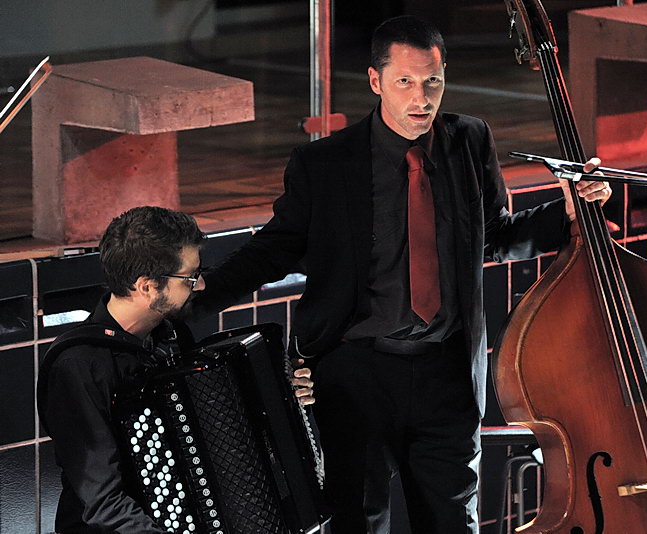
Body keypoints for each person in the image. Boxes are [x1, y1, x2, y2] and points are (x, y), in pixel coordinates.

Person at [193, 15, 611, 534]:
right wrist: (199, 294)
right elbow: (273, 251)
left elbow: (495, 236)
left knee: (452, 522)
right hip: (356, 371)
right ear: (375, 81)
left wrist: (566, 213)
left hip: (447, 372)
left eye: (432, 81)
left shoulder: (469, 139)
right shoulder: (325, 164)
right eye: (405, 82)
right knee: (358, 521)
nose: (421, 98)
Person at [37, 206, 315, 533]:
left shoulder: (169, 334)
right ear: (147, 286)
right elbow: (103, 505)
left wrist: (282, 398)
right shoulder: (78, 367)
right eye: (190, 277)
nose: (200, 285)